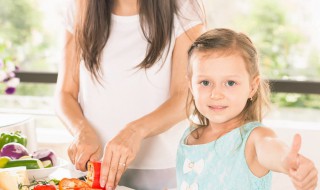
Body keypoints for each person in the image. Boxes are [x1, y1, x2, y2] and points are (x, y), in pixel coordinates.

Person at [55, 0, 205, 189]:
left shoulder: (183, 7)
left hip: (158, 169)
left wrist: (134, 132)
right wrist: (81, 132)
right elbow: (64, 93)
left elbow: (186, 97)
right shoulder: (79, 7)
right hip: (91, 167)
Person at [176, 28, 318, 190]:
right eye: (205, 83)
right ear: (191, 86)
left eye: (230, 83)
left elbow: (270, 147)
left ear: (252, 87)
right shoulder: (189, 137)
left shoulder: (253, 138)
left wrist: (287, 160)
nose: (216, 94)